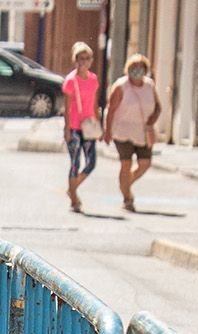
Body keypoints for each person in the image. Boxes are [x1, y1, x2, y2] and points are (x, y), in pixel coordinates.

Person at [104, 52, 161, 212]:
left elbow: (158, 106)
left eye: (141, 68)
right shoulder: (121, 86)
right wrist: (107, 131)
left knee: (145, 164)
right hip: (122, 131)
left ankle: (125, 184)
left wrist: (152, 120)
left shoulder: (150, 85)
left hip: (143, 132)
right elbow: (111, 109)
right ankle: (127, 197)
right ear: (128, 69)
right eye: (134, 67)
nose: (137, 71)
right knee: (126, 163)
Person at [62, 42, 101, 213]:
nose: (83, 62)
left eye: (86, 58)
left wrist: (100, 125)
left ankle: (73, 187)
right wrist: (67, 129)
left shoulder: (93, 80)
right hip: (75, 127)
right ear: (74, 60)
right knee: (75, 162)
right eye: (80, 58)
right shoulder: (71, 81)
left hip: (89, 126)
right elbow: (67, 107)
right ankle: (74, 199)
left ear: (91, 60)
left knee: (91, 162)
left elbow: (95, 104)